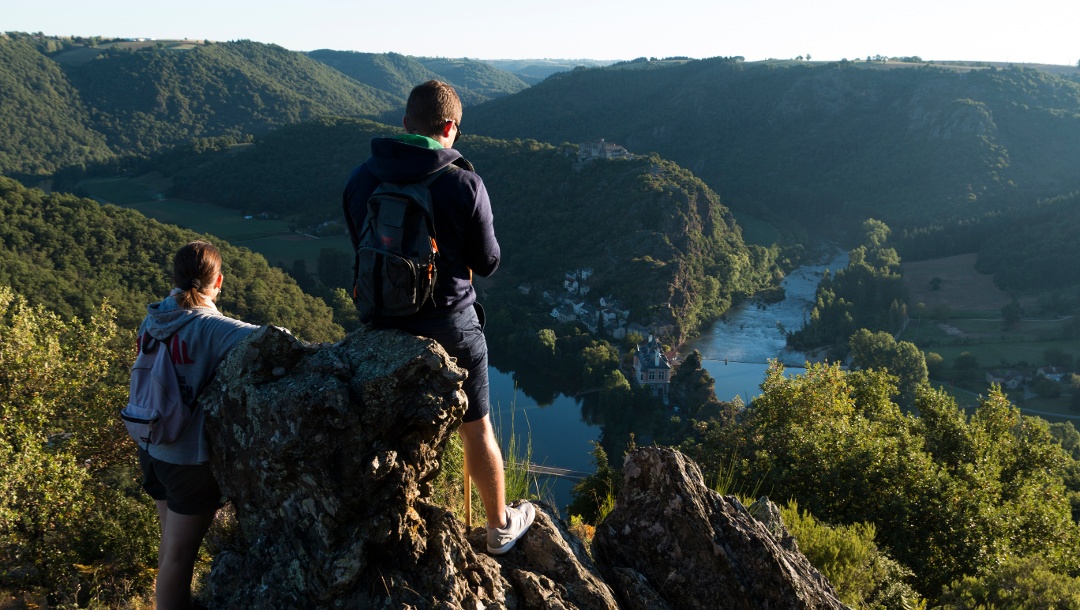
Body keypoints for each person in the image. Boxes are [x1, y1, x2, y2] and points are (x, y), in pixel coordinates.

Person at [343, 80, 534, 555]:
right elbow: (487, 262)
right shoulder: (464, 182)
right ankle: (498, 525)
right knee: (478, 427)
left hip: (380, 326)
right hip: (450, 326)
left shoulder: (361, 179)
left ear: (405, 123)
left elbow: (361, 248)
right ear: (449, 127)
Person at [136, 240, 260, 609]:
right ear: (218, 281)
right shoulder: (210, 327)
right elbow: (279, 340)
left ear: (173, 277)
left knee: (169, 548)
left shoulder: (153, 316)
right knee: (180, 558)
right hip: (187, 459)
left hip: (150, 445)